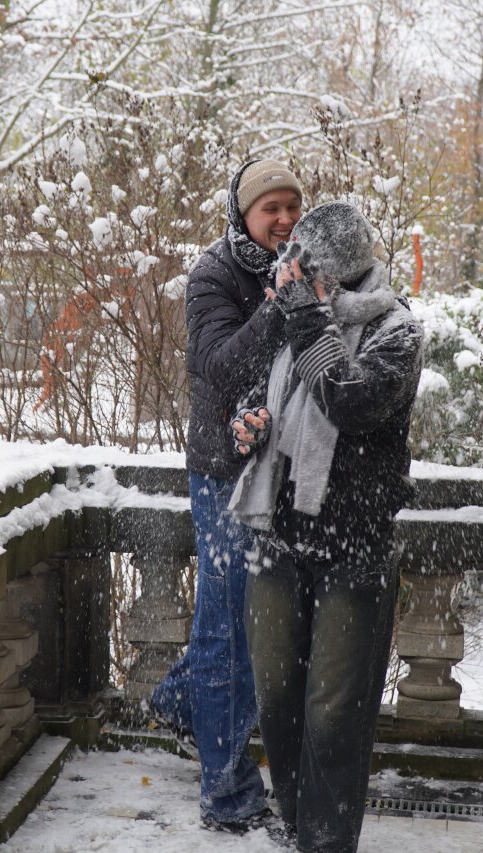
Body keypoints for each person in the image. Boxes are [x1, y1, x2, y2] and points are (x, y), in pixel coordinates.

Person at [230, 201, 423, 852]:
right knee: (278, 702)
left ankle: (326, 841)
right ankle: (296, 827)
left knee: (334, 713)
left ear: (337, 272)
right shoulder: (297, 314)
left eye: (306, 266)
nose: (292, 273)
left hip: (353, 547)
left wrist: (307, 317)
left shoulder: (396, 330)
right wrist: (248, 420)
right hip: (276, 538)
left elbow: (347, 398)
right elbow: (262, 389)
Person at [148, 159, 304, 833]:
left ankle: (180, 705)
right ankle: (227, 791)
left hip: (282, 473)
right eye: (272, 208)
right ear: (243, 215)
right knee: (228, 627)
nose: (285, 219)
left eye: (293, 206)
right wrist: (278, 305)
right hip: (225, 475)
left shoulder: (306, 266)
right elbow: (219, 365)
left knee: (253, 622)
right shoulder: (214, 273)